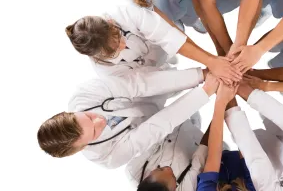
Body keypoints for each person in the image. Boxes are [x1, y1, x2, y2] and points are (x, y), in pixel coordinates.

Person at [37, 70, 219, 169]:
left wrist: (202, 74)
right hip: (156, 126)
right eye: (94, 132)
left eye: (89, 116)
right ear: (82, 147)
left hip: (147, 90)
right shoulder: (107, 157)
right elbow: (156, 127)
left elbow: (141, 85)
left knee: (175, 81)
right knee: (187, 120)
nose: (99, 121)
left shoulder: (83, 96)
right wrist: (206, 92)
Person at [65, 3, 242, 84]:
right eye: (113, 52)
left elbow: (167, 35)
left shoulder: (125, 13)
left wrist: (211, 61)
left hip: (159, 45)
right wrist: (205, 72)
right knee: (167, 80)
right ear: (99, 57)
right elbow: (150, 82)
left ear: (111, 23)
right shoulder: (107, 73)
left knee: (174, 30)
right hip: (150, 72)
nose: (121, 46)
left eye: (118, 37)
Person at [120, 107, 213, 191]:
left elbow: (156, 134)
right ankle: (194, 125)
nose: (169, 170)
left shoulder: (134, 170)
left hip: (169, 126)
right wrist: (220, 111)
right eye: (174, 178)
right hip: (194, 140)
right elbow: (202, 153)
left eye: (160, 169)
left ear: (145, 179)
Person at [193, 84, 265, 191]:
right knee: (230, 97)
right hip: (238, 164)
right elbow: (246, 150)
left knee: (221, 105)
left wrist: (220, 102)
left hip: (211, 164)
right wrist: (229, 91)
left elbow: (213, 156)